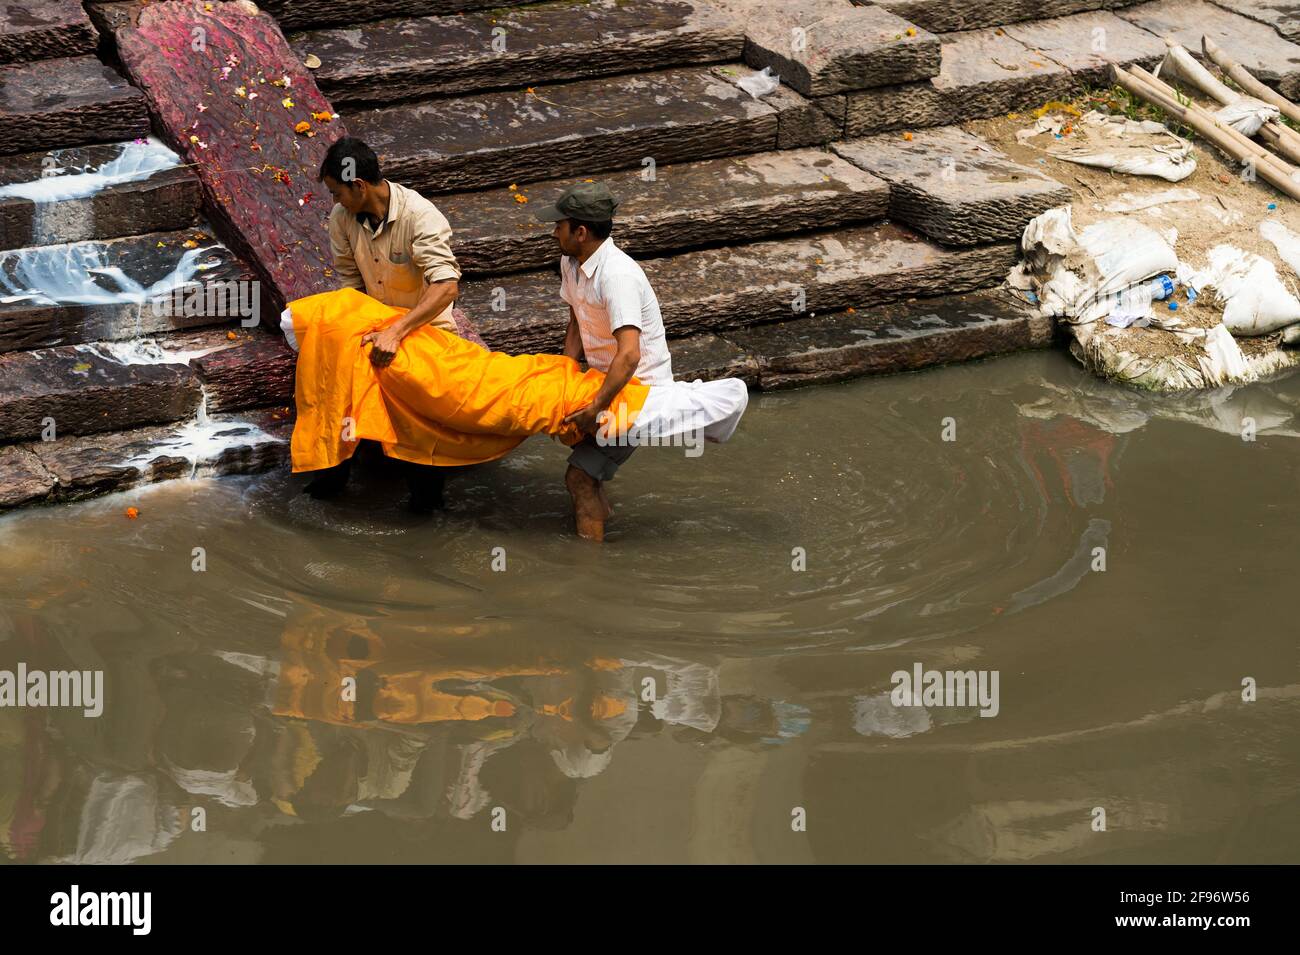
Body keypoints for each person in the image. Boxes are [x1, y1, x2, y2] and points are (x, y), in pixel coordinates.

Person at [307, 136, 462, 511]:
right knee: (329, 373)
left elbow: (446, 286)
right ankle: (332, 474)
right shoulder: (342, 219)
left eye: (336, 192)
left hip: (425, 329)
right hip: (374, 324)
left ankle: (426, 501)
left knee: (417, 417)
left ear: (358, 186)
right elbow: (351, 285)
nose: (334, 202)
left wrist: (397, 331)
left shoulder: (420, 217)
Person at [533, 182, 674, 541]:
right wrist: (564, 379)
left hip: (637, 392)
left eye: (559, 225)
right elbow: (576, 322)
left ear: (580, 231)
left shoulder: (618, 276)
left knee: (578, 477)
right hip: (601, 383)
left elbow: (629, 354)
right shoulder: (571, 262)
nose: (553, 232)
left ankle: (589, 571)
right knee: (587, 474)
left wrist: (596, 407)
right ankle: (599, 520)